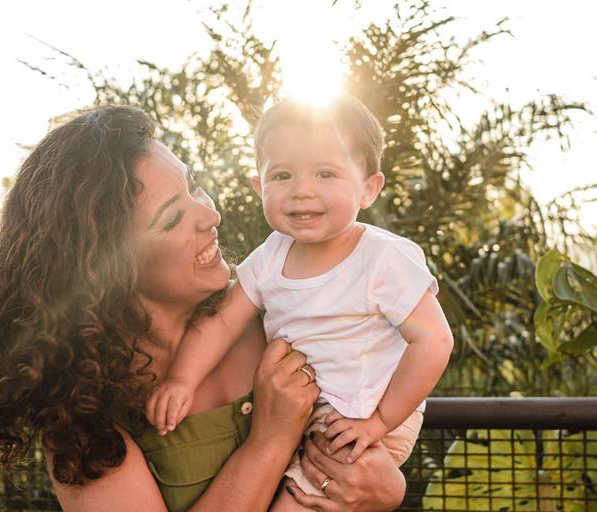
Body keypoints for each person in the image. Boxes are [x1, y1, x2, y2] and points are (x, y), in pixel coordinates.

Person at [0, 105, 405, 511]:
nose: (209, 216)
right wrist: (270, 441)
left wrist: (386, 490)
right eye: (173, 218)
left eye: (193, 186)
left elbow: (375, 435)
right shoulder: (82, 414)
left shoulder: (280, 307)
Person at [147, 95, 454, 510]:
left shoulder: (383, 259)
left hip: (359, 415)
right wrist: (182, 380)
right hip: (307, 416)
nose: (303, 191)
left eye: (326, 174)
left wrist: (379, 422)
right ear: (259, 186)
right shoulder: (270, 257)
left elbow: (434, 341)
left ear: (368, 188)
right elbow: (221, 322)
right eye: (283, 175)